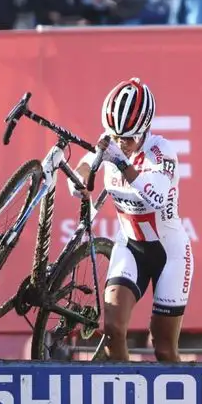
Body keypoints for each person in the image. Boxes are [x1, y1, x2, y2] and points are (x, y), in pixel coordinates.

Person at [60, 77, 192, 363]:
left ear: (145, 130)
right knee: (112, 330)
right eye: (117, 136)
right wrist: (79, 181)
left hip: (170, 254)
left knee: (164, 347)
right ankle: (127, 400)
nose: (123, 142)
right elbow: (83, 167)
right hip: (131, 246)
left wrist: (121, 161)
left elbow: (156, 195)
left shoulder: (161, 151)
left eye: (130, 137)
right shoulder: (113, 142)